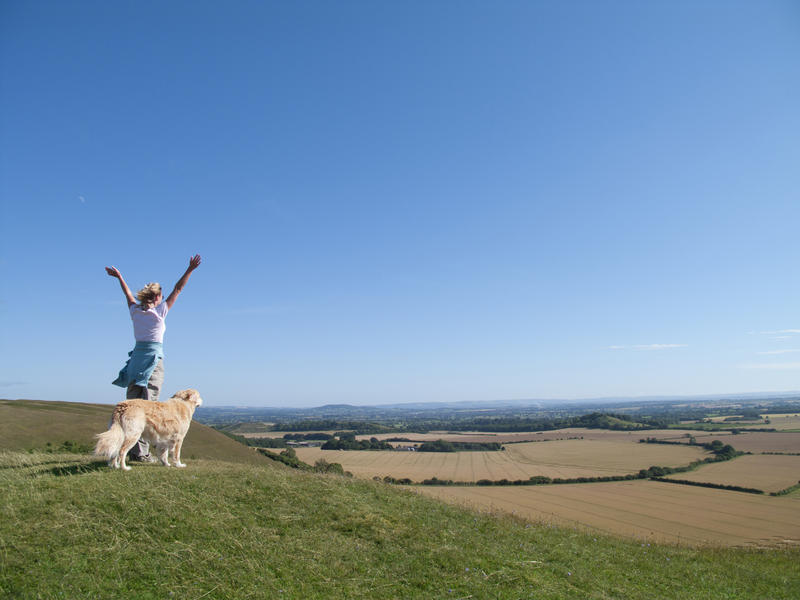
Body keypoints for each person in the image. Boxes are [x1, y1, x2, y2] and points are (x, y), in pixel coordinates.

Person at [106, 254, 202, 461]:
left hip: (134, 362)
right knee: (149, 407)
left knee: (132, 406)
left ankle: (132, 452)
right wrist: (190, 269)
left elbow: (127, 295)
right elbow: (178, 289)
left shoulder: (135, 311)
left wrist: (119, 277)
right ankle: (142, 454)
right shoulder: (159, 312)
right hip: (152, 361)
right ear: (157, 297)